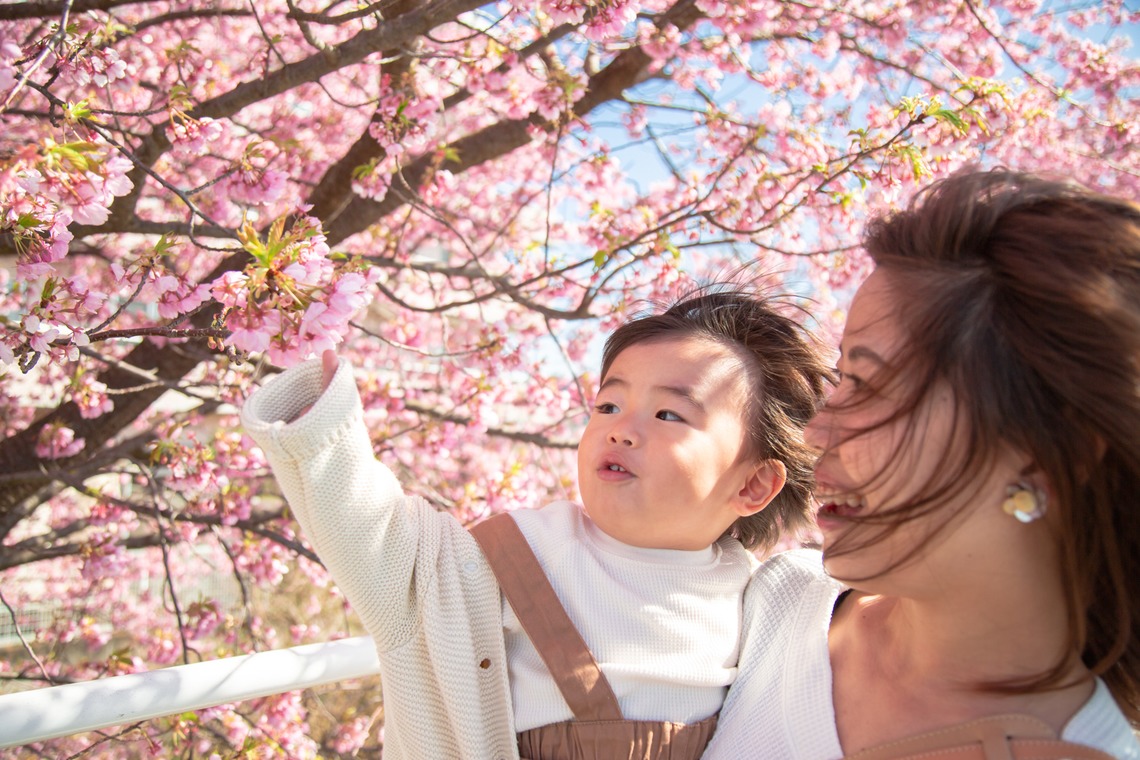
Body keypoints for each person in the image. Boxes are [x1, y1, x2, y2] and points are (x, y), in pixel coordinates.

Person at [241, 290, 832, 760]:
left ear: (753, 486)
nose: (621, 429)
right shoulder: (514, 554)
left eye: (668, 414)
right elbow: (384, 546)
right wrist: (323, 428)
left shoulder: (764, 604)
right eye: (608, 405)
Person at [701, 168, 1140, 759]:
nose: (814, 433)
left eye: (869, 385)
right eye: (839, 379)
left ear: (1053, 450)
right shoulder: (777, 599)